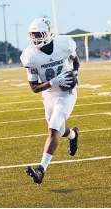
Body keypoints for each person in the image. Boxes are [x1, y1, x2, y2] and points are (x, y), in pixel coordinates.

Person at [20, 18, 80, 184]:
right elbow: (34, 88)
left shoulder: (64, 43)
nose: (35, 38)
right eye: (32, 35)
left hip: (67, 91)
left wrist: (74, 73)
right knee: (59, 130)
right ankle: (73, 135)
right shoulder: (30, 56)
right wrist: (54, 81)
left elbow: (75, 60)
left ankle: (41, 169)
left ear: (48, 33)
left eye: (38, 34)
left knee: (53, 127)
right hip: (48, 95)